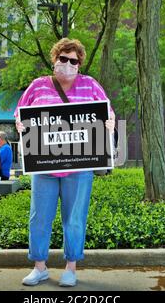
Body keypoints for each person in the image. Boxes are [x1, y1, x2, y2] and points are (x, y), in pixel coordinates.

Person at [14, 38, 115, 287]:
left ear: (79, 64)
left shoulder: (90, 84)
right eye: (63, 59)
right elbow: (19, 111)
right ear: (55, 59)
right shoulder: (38, 86)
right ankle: (39, 267)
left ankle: (71, 268)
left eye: (74, 60)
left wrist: (109, 122)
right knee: (39, 217)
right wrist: (19, 122)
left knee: (75, 218)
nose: (68, 64)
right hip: (44, 166)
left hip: (79, 168)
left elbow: (108, 111)